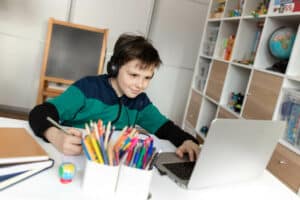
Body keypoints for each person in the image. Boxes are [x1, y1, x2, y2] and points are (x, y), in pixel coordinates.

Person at [29, 33, 200, 161]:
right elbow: (38, 113)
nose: (140, 85)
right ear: (114, 68)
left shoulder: (140, 102)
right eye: (133, 75)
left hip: (108, 166)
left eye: (147, 77)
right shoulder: (87, 88)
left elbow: (166, 128)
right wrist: (56, 136)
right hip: (69, 158)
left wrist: (187, 140)